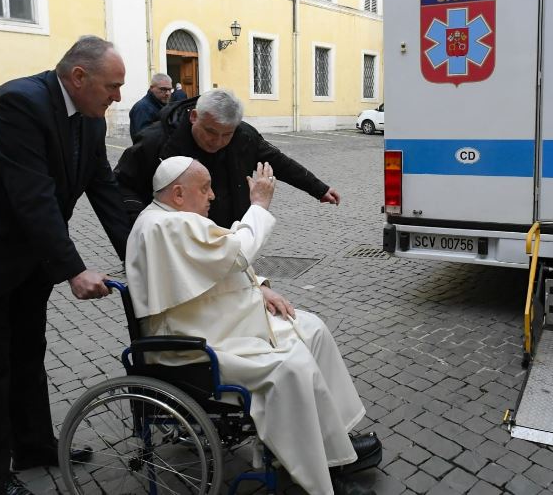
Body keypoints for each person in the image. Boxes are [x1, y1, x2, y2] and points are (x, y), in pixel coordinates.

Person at [0, 36, 133, 495]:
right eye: (112, 86)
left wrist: (138, 255)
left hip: (26, 256)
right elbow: (32, 196)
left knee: (27, 355)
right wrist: (74, 269)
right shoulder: (18, 103)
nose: (118, 97)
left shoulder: (90, 118)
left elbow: (104, 190)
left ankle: (35, 445)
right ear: (79, 77)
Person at [126, 156, 380, 495]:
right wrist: (259, 204)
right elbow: (236, 252)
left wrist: (259, 287)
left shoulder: (171, 219)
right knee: (291, 367)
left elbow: (217, 265)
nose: (212, 196)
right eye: (205, 188)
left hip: (214, 320)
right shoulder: (166, 225)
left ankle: (333, 441)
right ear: (177, 193)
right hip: (193, 343)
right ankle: (323, 472)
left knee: (311, 327)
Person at [115, 89, 341, 227]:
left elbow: (278, 161)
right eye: (211, 132)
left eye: (226, 135)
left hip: (229, 232)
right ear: (194, 117)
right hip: (180, 241)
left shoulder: (244, 136)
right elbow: (122, 184)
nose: (218, 141)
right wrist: (138, 224)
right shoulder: (156, 141)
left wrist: (318, 188)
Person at [128, 72, 172, 142]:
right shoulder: (142, 108)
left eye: (169, 90)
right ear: (152, 88)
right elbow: (143, 138)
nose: (167, 93)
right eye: (163, 89)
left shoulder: (161, 104)